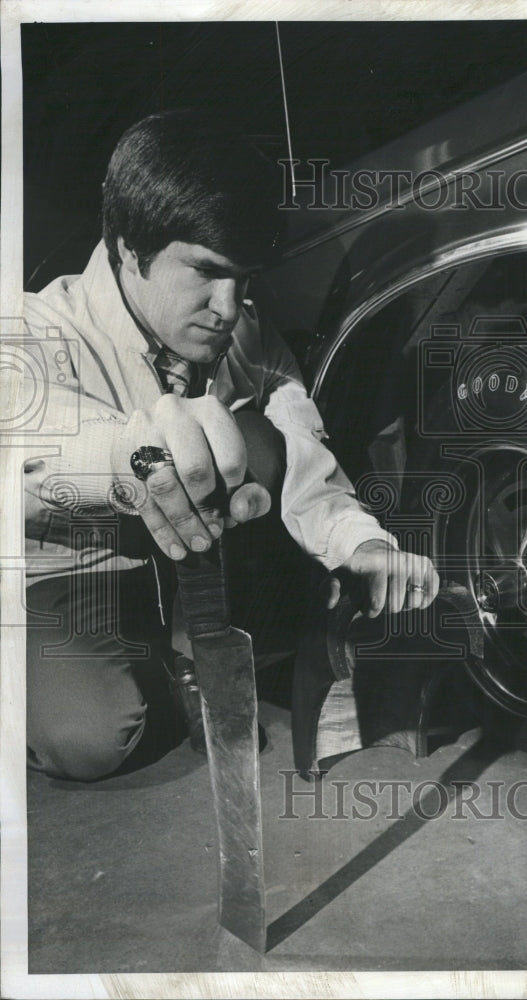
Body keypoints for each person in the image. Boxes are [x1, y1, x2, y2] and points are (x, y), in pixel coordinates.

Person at [23, 109, 439, 781]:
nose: (228, 304)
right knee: (92, 739)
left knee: (258, 434)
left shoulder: (241, 329)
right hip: (68, 571)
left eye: (245, 277)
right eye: (207, 273)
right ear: (131, 247)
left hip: (186, 572)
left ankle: (189, 647)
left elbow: (305, 458)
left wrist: (363, 545)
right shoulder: (32, 328)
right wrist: (131, 452)